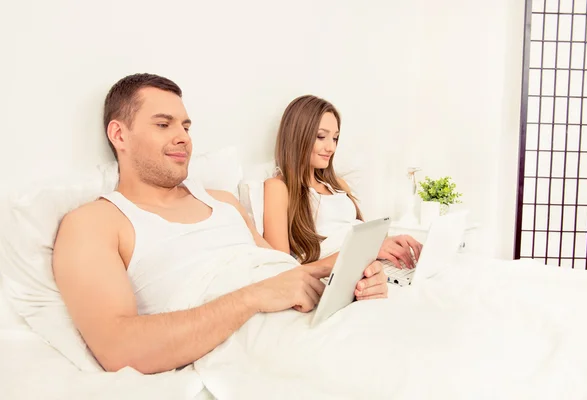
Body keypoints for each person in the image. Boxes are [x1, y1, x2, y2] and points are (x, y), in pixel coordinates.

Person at [51, 74, 388, 375]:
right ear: (119, 134)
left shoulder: (223, 201)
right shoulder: (93, 223)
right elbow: (117, 349)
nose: (183, 137)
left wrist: (351, 282)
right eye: (163, 124)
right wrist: (254, 297)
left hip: (321, 321)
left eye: (186, 126)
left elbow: (287, 274)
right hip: (269, 346)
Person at [263, 94, 423, 285]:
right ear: (298, 136)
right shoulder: (278, 188)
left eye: (335, 138)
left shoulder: (338, 184)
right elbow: (283, 273)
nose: (331, 147)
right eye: (321, 137)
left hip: (371, 265)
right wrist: (367, 251)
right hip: (340, 274)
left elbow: (360, 232)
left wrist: (390, 242)